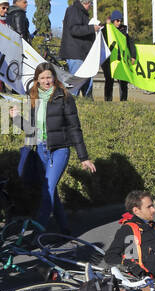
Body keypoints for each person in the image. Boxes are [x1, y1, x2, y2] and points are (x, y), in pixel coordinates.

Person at [11, 65, 96, 231]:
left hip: (60, 149)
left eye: (48, 77)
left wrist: (83, 157)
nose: (46, 81)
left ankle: (38, 231)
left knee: (48, 188)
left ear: (54, 77)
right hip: (41, 150)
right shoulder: (32, 96)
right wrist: (16, 118)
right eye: (42, 78)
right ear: (36, 80)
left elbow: (74, 128)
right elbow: (31, 130)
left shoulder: (64, 96)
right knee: (51, 190)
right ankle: (64, 228)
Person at [59, 0, 101, 79]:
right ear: (86, 2)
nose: (91, 6)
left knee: (87, 82)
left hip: (82, 53)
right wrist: (91, 28)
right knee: (77, 82)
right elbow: (74, 29)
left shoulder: (81, 12)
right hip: (76, 54)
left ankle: (85, 93)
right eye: (91, 3)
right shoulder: (73, 10)